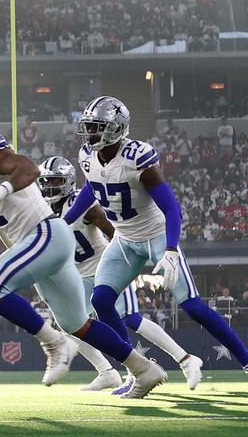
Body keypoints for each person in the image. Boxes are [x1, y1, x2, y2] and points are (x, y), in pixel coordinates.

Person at [0, 98, 162, 394]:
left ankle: (52, 343)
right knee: (77, 324)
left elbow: (29, 169)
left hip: (45, 234)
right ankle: (143, 368)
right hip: (38, 245)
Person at [64, 96, 248, 383]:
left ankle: (247, 361)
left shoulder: (137, 157)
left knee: (192, 306)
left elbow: (172, 207)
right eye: (89, 127)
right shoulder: (87, 155)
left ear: (115, 128)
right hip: (124, 240)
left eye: (97, 127)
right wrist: (65, 221)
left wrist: (172, 249)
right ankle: (137, 370)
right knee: (101, 300)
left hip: (156, 237)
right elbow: (92, 187)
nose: (90, 133)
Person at [38, 156, 198, 391]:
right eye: (46, 182)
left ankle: (183, 358)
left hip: (104, 270)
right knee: (71, 325)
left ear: (68, 182)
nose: (49, 187)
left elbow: (117, 234)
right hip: (80, 277)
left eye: (55, 181)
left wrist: (125, 265)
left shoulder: (84, 206)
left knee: (130, 318)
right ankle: (107, 373)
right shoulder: (42, 212)